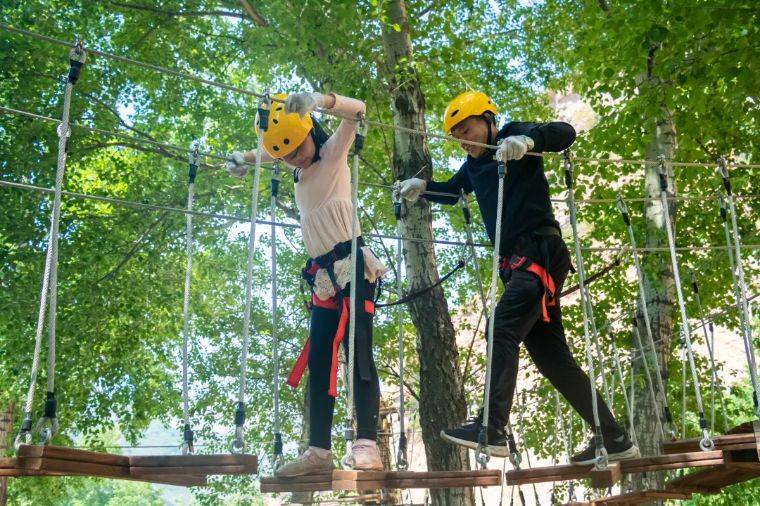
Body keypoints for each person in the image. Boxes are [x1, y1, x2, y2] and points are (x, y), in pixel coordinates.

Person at [398, 91, 639, 464]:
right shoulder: (474, 166)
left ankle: (492, 428)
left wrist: (527, 142)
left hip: (539, 251)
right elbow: (451, 191)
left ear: (489, 120)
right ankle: (614, 437)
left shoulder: (512, 135)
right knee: (553, 361)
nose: (463, 138)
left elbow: (564, 132)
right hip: (519, 266)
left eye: (468, 128)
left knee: (502, 327)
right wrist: (423, 189)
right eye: (456, 135)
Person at [227, 92, 387, 475]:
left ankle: (367, 444)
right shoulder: (294, 166)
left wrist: (321, 100)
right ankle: (319, 451)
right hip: (323, 279)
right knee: (319, 359)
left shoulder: (332, 154)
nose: (296, 156)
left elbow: (360, 110)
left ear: (312, 131)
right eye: (288, 155)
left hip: (352, 267)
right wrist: (248, 159)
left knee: (358, 349)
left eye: (299, 147)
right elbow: (277, 150)